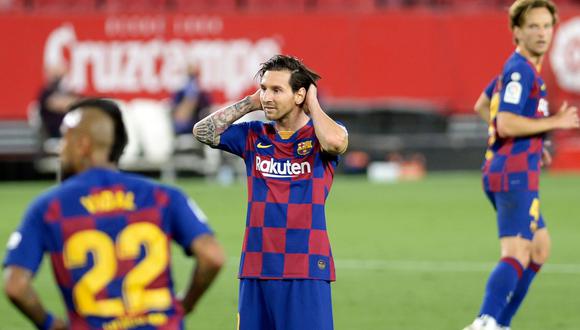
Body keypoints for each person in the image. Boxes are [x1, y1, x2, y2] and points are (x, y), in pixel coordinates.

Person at [3, 98, 225, 329]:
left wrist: (51, 325)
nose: (61, 148)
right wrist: (185, 305)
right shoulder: (164, 196)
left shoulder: (49, 207)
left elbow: (15, 286)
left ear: (83, 145)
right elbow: (212, 256)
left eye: (64, 138)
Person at [193, 54, 348, 330]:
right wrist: (251, 102)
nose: (267, 97)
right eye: (264, 89)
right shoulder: (254, 135)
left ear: (300, 94)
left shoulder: (320, 137)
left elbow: (337, 143)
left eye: (277, 90)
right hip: (255, 267)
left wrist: (313, 103)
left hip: (305, 269)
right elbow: (203, 132)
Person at [465, 1, 579, 329]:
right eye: (533, 26)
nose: (542, 33)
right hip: (513, 174)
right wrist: (552, 123)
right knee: (516, 252)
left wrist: (532, 141)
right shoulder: (521, 70)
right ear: (517, 31)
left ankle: (500, 322)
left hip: (515, 169)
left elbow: (483, 105)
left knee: (540, 248)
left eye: (546, 26)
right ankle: (486, 322)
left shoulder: (517, 68)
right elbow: (506, 123)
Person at [37, 64, 79, 138]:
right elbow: (58, 104)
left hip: (70, 133)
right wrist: (66, 102)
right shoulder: (46, 92)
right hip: (53, 135)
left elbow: (78, 103)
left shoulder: (68, 91)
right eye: (56, 73)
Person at [172, 64, 213, 135]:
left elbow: (207, 105)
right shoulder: (182, 90)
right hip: (185, 126)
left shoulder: (199, 91)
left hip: (193, 124)